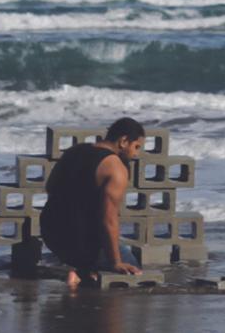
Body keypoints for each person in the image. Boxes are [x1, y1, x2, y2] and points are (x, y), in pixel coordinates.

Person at [40, 117, 146, 289]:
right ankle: (82, 273)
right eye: (136, 147)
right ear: (123, 141)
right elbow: (109, 220)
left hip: (51, 235)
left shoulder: (73, 151)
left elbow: (50, 188)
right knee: (133, 268)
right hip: (80, 242)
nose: (137, 154)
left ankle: (82, 268)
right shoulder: (115, 167)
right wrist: (116, 262)